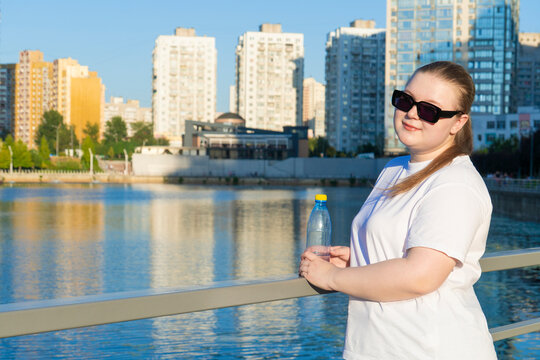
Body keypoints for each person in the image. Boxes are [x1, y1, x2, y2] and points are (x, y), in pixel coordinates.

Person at [299, 61, 497, 359]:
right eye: (406, 100)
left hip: (430, 349)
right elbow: (408, 247)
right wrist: (360, 259)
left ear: (458, 122)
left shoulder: (455, 183)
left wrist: (330, 277)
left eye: (429, 110)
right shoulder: (395, 169)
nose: (412, 113)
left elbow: (420, 275)